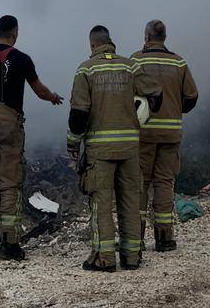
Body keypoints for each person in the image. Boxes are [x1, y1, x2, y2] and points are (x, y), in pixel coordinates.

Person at [0, 14, 63, 261]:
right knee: (9, 184)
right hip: (10, 125)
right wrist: (52, 97)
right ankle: (10, 244)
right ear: (15, 33)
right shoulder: (22, 59)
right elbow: (39, 90)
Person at [66, 25, 162, 271]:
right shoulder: (130, 66)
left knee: (102, 202)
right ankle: (131, 257)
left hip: (101, 150)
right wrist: (142, 115)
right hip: (130, 147)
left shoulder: (86, 69)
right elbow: (156, 94)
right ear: (111, 42)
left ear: (92, 45)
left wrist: (73, 143)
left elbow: (79, 113)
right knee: (130, 200)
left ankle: (105, 258)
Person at [132, 20, 199, 252]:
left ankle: (135, 238)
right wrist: (174, 109)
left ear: (147, 37)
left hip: (143, 133)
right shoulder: (179, 63)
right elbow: (191, 96)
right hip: (171, 133)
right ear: (164, 38)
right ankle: (164, 238)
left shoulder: (136, 61)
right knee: (164, 183)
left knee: (139, 184)